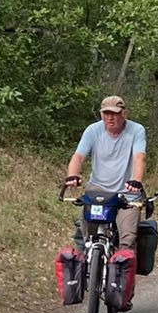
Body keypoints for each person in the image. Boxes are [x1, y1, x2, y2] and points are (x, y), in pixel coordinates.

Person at [63, 95, 148, 245]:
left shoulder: (136, 130)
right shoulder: (93, 130)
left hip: (127, 194)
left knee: (127, 240)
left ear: (124, 114)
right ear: (101, 114)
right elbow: (78, 157)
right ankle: (87, 262)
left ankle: (123, 265)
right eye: (106, 113)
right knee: (88, 236)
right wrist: (72, 176)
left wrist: (136, 181)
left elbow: (139, 158)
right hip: (99, 191)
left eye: (115, 113)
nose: (110, 118)